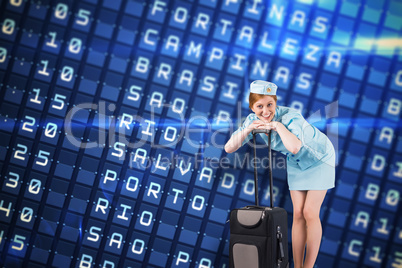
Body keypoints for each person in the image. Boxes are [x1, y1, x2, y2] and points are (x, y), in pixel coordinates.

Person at [224, 80, 336, 268]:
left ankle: (307, 267)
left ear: (276, 103)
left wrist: (278, 126)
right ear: (252, 107)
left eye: (270, 104)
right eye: (259, 106)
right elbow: (229, 147)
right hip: (296, 163)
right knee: (298, 213)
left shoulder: (291, 117)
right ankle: (297, 265)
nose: (266, 111)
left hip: (320, 158)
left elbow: (294, 147)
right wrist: (248, 129)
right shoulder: (252, 120)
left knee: (310, 212)